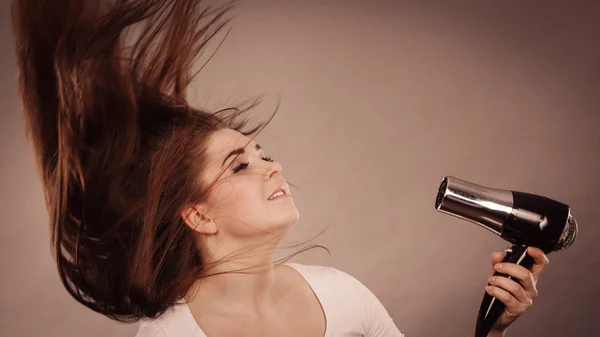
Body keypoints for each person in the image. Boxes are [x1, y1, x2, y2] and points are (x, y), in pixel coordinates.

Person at [11, 0, 549, 336]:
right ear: (197, 215)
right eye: (239, 165)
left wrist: (494, 330)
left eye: (261, 153)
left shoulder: (342, 295)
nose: (273, 166)